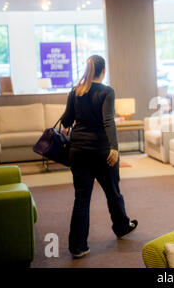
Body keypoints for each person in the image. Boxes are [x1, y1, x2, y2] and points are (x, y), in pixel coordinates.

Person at [61, 55, 137, 259]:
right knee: (113, 191)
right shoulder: (106, 91)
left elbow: (67, 120)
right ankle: (121, 227)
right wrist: (114, 147)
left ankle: (77, 246)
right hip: (102, 151)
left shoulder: (75, 90)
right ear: (103, 71)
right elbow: (108, 121)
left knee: (81, 198)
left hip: (78, 151)